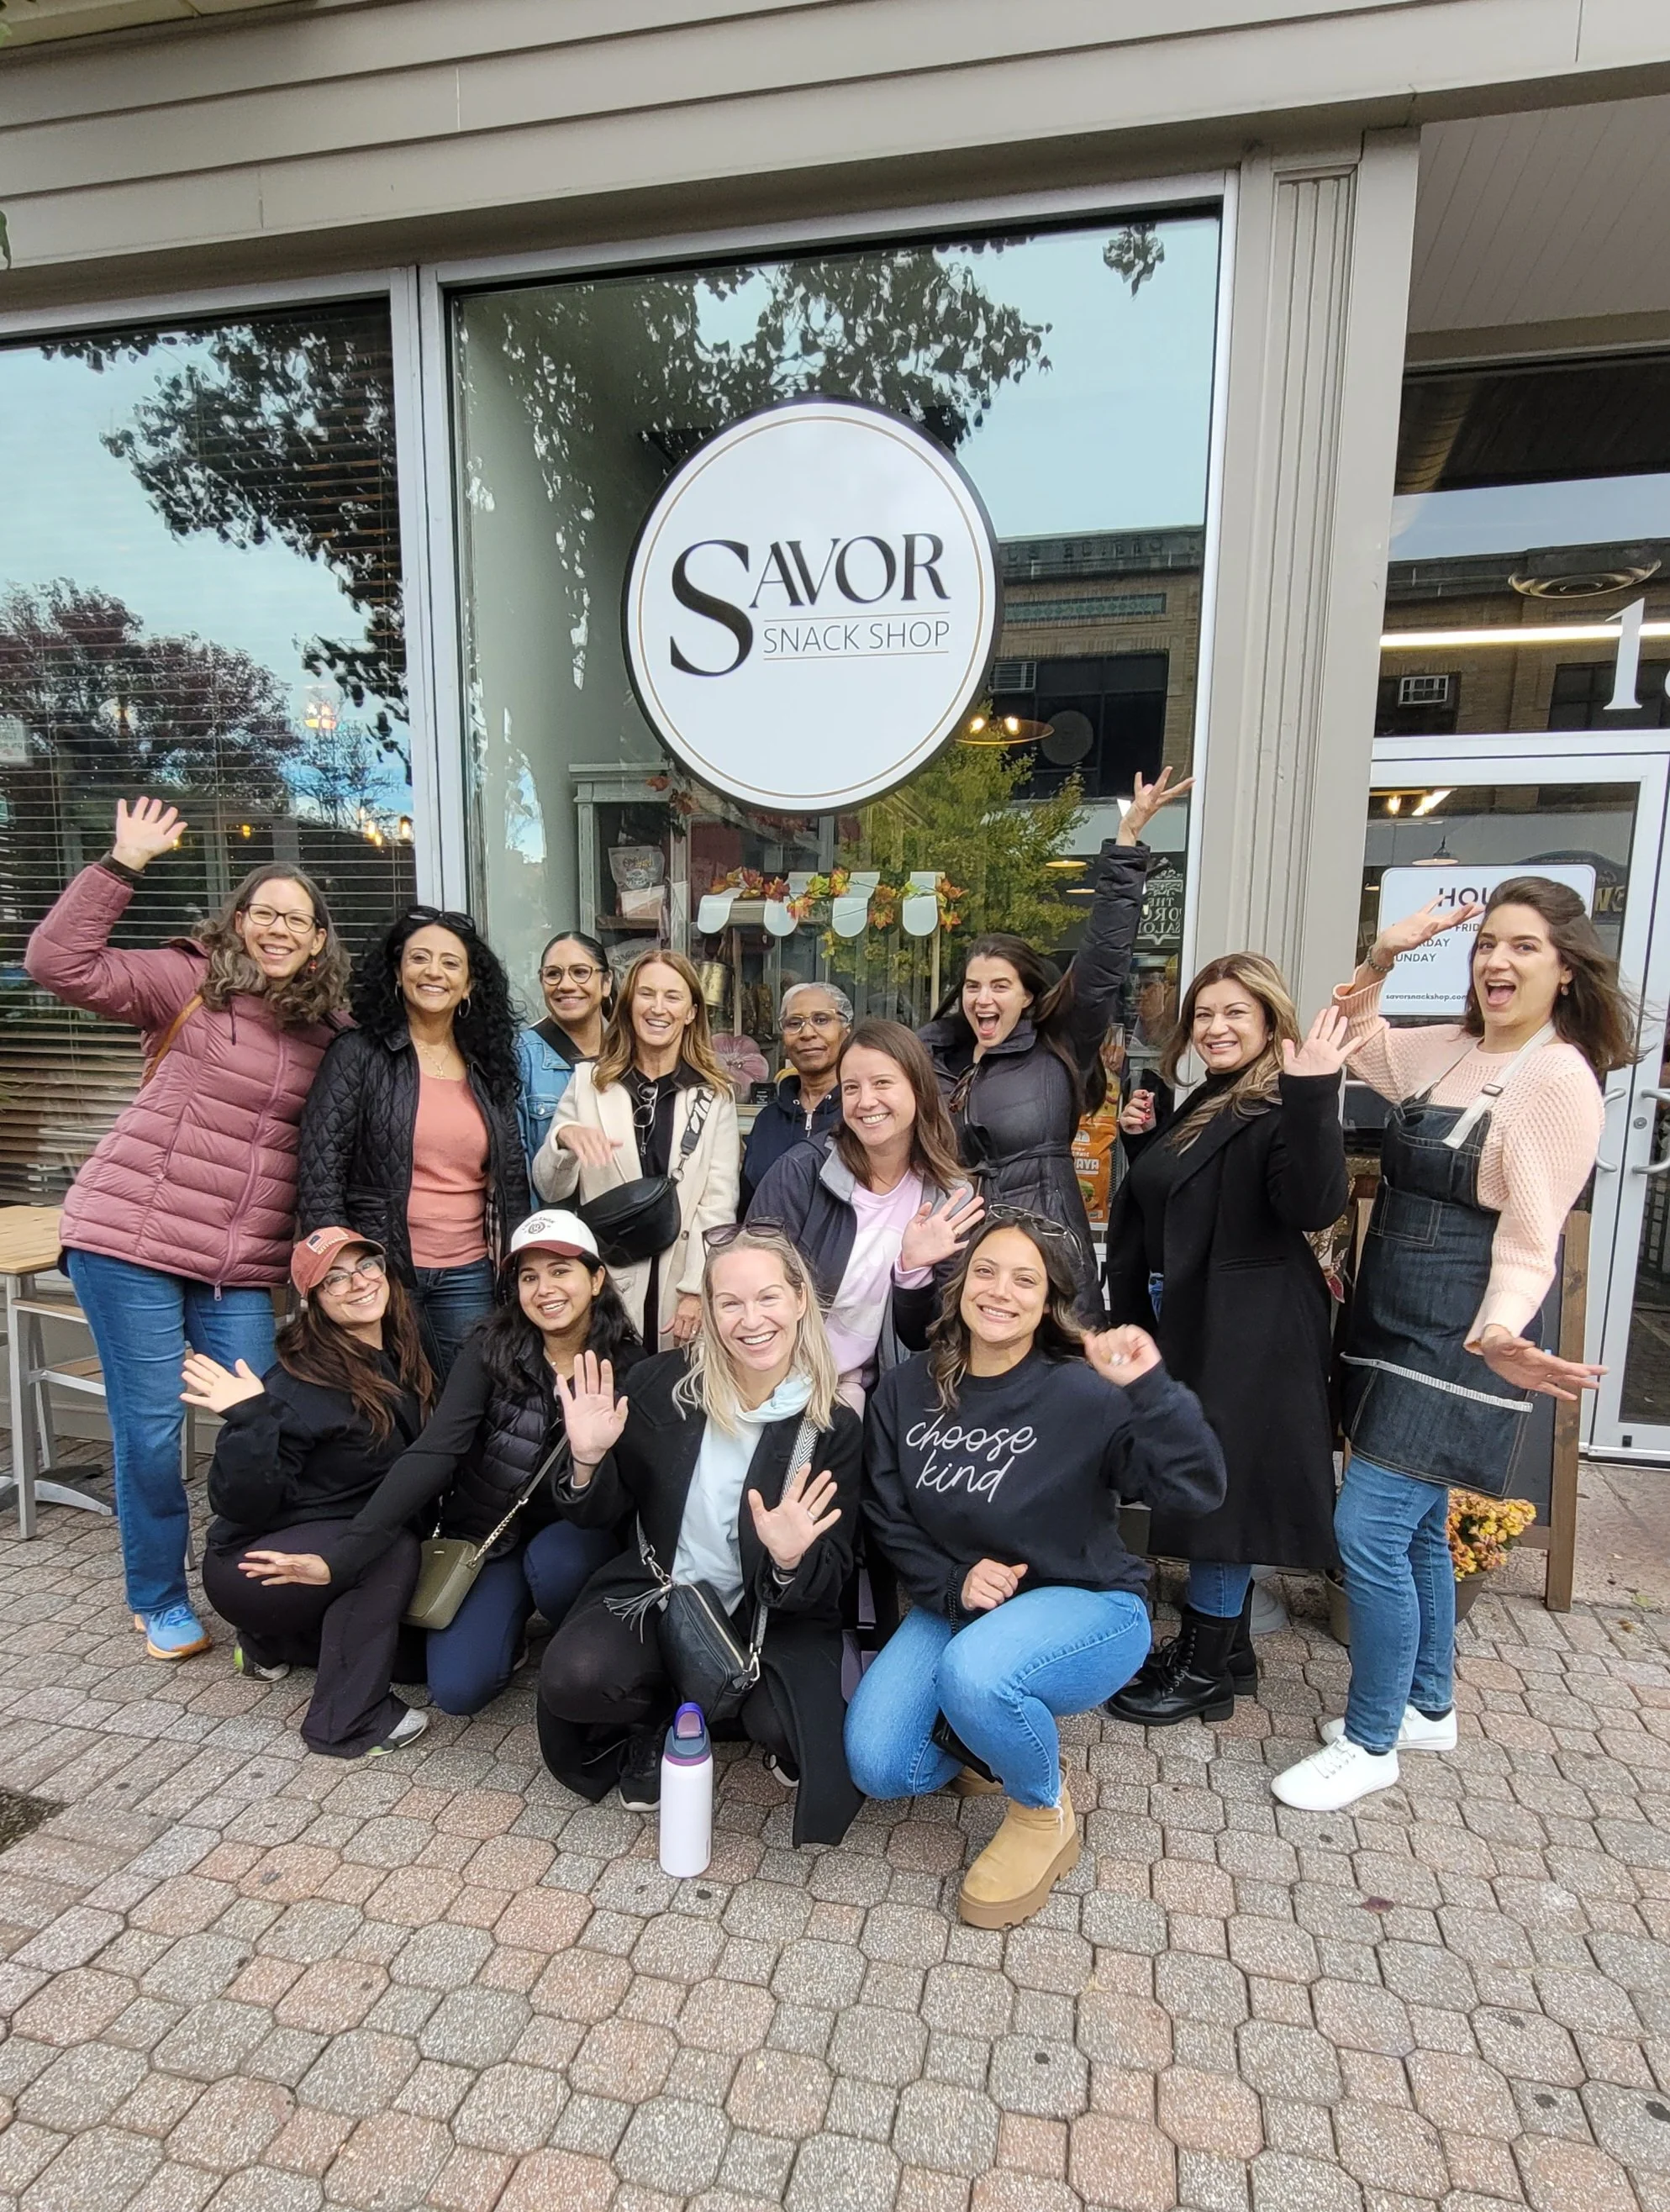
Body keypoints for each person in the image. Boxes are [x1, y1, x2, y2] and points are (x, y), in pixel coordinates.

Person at [1273, 878, 1633, 1812]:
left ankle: (1371, 1739)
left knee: (1371, 1530)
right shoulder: (1447, 1052)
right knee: (1421, 1524)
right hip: (1388, 1317)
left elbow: (1531, 1233)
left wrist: (1505, 1325)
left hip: (1460, 1333)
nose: (1496, 964)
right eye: (1487, 946)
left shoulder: (1557, 1081)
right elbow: (1348, 1033)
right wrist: (1383, 956)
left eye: (1522, 947)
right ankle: (1427, 1702)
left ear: (1565, 969)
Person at [24, 796, 350, 1661]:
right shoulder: (188, 982)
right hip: (130, 1234)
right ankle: (158, 1594)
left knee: (255, 1414)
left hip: (235, 1261)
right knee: (155, 1428)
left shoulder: (327, 1029)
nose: (279, 929)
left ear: (320, 940)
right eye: (265, 912)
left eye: (298, 919)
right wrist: (119, 865)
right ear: (238, 921)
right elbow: (58, 962)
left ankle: (250, 1580)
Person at [846, 1215, 1225, 1927]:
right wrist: (952, 1580)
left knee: (978, 1675)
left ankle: (1040, 1809)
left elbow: (1196, 1492)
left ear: (1049, 1298)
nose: (1000, 1292)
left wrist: (1150, 1390)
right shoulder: (904, 1389)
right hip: (962, 1605)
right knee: (880, 1764)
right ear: (959, 1283)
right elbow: (888, 1516)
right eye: (985, 1271)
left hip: (1085, 1607)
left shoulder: (1084, 1393)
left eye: (1025, 1279)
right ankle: (985, 1736)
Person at [537, 1224, 863, 1846]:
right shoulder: (662, 1385)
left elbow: (833, 1572)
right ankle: (662, 1715)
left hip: (770, 1614)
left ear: (799, 1301)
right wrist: (585, 1461)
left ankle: (710, 1701)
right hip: (661, 1594)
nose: (751, 1319)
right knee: (574, 1679)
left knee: (788, 1732)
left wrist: (791, 1560)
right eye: (730, 1302)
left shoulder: (830, 1426)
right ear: (708, 1312)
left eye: (768, 1297)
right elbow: (601, 1515)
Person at [1103, 958, 1351, 1725]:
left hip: (1257, 1334)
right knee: (1215, 1483)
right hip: (1214, 1325)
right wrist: (1146, 1150)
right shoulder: (1213, 1099)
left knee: (1223, 1496)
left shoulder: (1282, 1101)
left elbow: (1312, 1201)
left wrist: (1316, 1093)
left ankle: (1205, 1672)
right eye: (1204, 1013)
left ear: (1271, 1021)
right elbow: (1196, 1198)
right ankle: (1227, 1649)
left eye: (1235, 1013)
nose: (1215, 1027)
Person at [311, 1209, 643, 1715]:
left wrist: (586, 1460)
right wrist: (350, 1550)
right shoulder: (490, 1348)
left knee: (558, 1566)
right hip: (490, 1536)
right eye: (529, 1276)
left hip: (575, 1534)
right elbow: (436, 1451)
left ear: (596, 1279)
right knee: (458, 1691)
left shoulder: (630, 1367)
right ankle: (509, 1635)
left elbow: (618, 1505)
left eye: (561, 1271)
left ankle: (574, 1634)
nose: (545, 1289)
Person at [919, 766, 1191, 1317]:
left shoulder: (1057, 1045)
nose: (982, 999)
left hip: (1047, 1255)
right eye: (972, 986)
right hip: (962, 1258)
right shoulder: (932, 1057)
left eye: (1000, 986)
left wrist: (1127, 843)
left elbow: (1102, 963)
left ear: (1026, 995)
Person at [184, 1228, 435, 1757]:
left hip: (317, 1542)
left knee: (416, 1660)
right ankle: (347, 1722)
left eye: (365, 1265)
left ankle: (268, 1643)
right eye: (334, 1279)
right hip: (254, 1565)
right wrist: (249, 1421)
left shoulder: (396, 1348)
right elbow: (240, 1505)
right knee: (387, 1550)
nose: (357, 1283)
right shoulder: (296, 1385)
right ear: (314, 1301)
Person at [298, 904, 531, 1378]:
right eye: (419, 958)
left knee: (468, 1403)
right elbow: (321, 1171)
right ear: (398, 974)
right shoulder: (358, 1054)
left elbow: (509, 1177)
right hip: (381, 1271)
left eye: (451, 963)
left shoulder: (488, 1065)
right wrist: (341, 1270)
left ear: (468, 985)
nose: (434, 972)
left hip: (469, 1273)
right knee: (389, 1402)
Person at [748, 1018, 983, 1406]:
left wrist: (912, 1272)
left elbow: (932, 1337)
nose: (866, 1101)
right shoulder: (803, 1172)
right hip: (775, 1379)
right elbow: (749, 1284)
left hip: (868, 1395)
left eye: (883, 1083)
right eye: (852, 1088)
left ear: (919, 1089)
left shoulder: (949, 1195)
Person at [532, 948, 740, 1351]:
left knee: (671, 1400)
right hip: (608, 1283)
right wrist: (565, 1142)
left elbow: (718, 1204)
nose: (658, 1008)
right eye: (647, 994)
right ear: (629, 1005)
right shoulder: (590, 1082)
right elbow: (550, 1188)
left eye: (673, 997)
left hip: (680, 1288)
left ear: (692, 1011)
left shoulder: (714, 1097)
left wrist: (696, 1289)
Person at [740, 981, 851, 1208]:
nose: (807, 1033)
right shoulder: (767, 1122)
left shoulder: (858, 1114)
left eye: (821, 1020)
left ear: (845, 1031)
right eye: (794, 1023)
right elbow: (748, 1205)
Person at [516, 930, 614, 1166]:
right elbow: (514, 1161)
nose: (566, 985)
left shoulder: (629, 1052)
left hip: (622, 1200)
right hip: (549, 1201)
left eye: (580, 972)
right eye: (553, 975)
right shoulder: (521, 1057)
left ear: (606, 983)